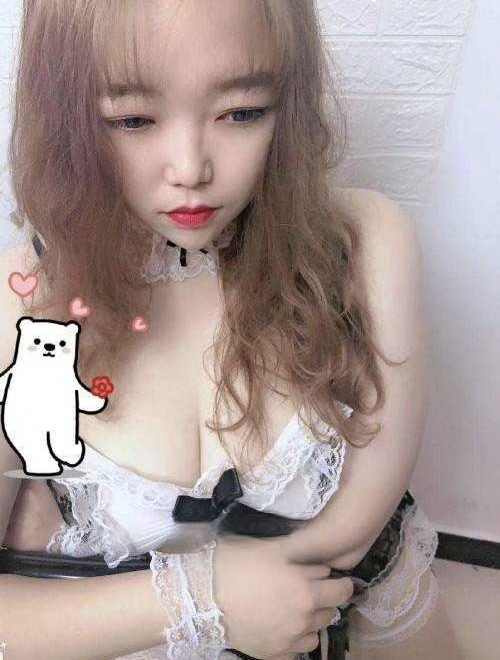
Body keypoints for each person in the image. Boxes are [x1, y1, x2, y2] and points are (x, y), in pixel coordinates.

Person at [0, 1, 463, 659]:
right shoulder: (18, 303)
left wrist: (254, 593)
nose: (191, 168)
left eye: (242, 112)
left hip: (360, 621)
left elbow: (365, 518)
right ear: (66, 118)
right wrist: (201, 599)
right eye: (132, 119)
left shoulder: (361, 244)